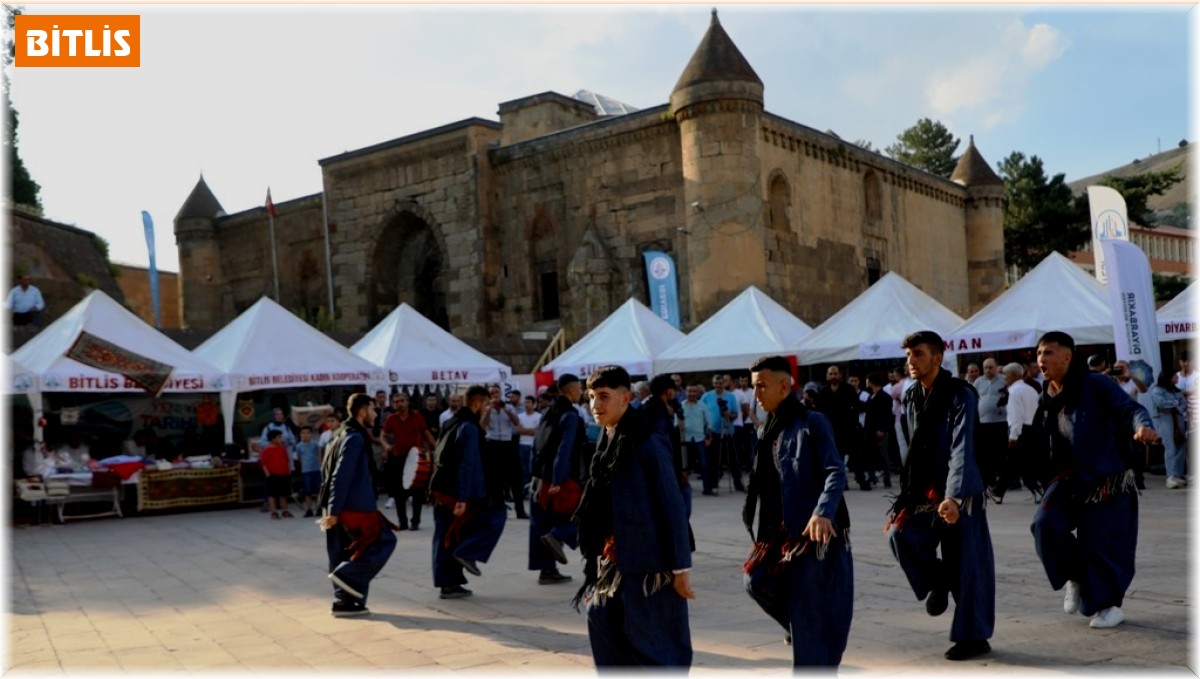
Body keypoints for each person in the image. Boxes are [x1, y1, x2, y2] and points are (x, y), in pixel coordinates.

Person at [1031, 331, 1157, 629]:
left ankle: (1108, 606)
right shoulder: (1047, 393)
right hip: (1069, 478)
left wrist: (1144, 428)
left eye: (1048, 352)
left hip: (1107, 478)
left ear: (1067, 356)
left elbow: (1133, 409)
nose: (1041, 359)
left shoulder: (1095, 383)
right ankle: (1073, 576)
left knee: (1103, 546)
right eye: (1038, 354)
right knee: (1044, 525)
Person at [573, 365, 694, 668]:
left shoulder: (647, 441)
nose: (595, 405)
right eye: (590, 397)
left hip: (650, 562)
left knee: (653, 645)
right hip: (615, 557)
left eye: (603, 396)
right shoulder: (606, 439)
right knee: (601, 620)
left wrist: (680, 569)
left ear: (626, 398)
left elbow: (673, 506)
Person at [886, 330, 994, 661]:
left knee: (967, 563)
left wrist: (955, 496)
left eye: (917, 354)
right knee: (899, 534)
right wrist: (908, 492)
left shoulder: (961, 394)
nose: (910, 361)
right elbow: (907, 442)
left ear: (937, 357)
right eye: (907, 355)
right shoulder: (910, 395)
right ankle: (939, 580)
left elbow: (963, 447)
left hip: (960, 493)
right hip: (924, 492)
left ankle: (974, 638)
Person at [742, 355, 853, 668]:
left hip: (814, 532)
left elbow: (835, 470)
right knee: (756, 579)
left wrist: (823, 512)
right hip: (782, 531)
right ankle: (802, 628)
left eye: (761, 386)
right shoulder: (769, 430)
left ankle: (810, 640)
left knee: (812, 621)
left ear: (783, 386)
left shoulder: (812, 422)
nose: (756, 394)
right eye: (754, 387)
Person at [317, 393, 398, 617]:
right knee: (384, 540)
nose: (375, 415)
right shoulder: (354, 438)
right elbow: (340, 476)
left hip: (340, 504)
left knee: (344, 552)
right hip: (352, 507)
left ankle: (346, 602)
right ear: (362, 412)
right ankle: (348, 577)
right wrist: (334, 511)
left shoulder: (339, 435)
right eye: (373, 410)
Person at [429, 385, 506, 599]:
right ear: (477, 403)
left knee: (446, 535)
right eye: (486, 404)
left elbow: (439, 455)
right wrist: (463, 498)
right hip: (458, 492)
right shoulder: (469, 427)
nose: (487, 408)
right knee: (496, 516)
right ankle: (468, 553)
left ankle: (449, 583)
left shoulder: (449, 423)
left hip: (442, 488)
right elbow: (467, 463)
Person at [528, 374, 587, 585]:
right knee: (586, 514)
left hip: (540, 477)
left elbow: (536, 445)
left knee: (542, 522)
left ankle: (547, 570)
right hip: (560, 478)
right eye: (579, 388)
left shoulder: (547, 413)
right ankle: (559, 536)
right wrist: (559, 480)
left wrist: (535, 473)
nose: (582, 392)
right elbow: (565, 450)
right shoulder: (571, 416)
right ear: (571, 391)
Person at [381, 393, 435, 530]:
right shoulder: (391, 418)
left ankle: (415, 521)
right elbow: (383, 435)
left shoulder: (416, 416)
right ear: (393, 404)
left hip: (416, 458)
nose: (399, 404)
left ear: (407, 402)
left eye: (402, 401)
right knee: (399, 492)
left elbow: (426, 433)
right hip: (398, 457)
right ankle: (403, 522)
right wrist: (386, 446)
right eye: (396, 401)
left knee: (417, 491)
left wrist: (436, 448)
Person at [816, 365, 867, 491]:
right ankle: (842, 482)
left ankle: (862, 481)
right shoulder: (823, 392)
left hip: (849, 428)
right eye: (831, 374)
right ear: (827, 376)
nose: (833, 376)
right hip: (832, 430)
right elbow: (820, 411)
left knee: (855, 457)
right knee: (837, 458)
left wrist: (854, 424)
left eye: (835, 373)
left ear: (840, 375)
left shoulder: (848, 389)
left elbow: (855, 407)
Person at [997, 362, 1042, 503]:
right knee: (1023, 463)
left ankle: (998, 492)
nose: (1003, 378)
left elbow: (1017, 415)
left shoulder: (1014, 392)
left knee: (1014, 463)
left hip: (1020, 430)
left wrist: (1013, 436)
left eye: (1006, 375)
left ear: (1014, 376)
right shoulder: (1031, 389)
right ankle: (999, 491)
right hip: (1033, 429)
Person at [481, 385, 528, 519]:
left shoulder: (508, 407)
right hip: (492, 443)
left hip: (508, 443)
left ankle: (520, 509)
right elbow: (482, 426)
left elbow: (517, 422)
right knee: (495, 478)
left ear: (501, 393)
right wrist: (489, 408)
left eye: (497, 392)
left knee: (515, 477)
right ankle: (498, 508)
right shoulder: (486, 408)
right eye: (492, 393)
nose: (495, 395)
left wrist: (505, 409)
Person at [972, 358, 1007, 498]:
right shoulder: (978, 382)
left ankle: (1002, 481)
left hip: (1000, 422)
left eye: (991, 367)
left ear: (996, 367)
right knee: (985, 454)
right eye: (986, 368)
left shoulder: (1003, 380)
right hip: (983, 423)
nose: (988, 370)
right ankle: (989, 482)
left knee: (1000, 452)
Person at [700, 373, 741, 491]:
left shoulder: (730, 396)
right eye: (716, 383)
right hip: (713, 432)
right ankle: (713, 483)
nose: (718, 385)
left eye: (720, 383)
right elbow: (701, 412)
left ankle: (738, 483)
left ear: (724, 383)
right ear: (713, 384)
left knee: (733, 459)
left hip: (727, 430)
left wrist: (729, 415)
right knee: (713, 459)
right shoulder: (706, 396)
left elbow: (735, 413)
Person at [1150, 370, 1188, 489]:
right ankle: (1171, 476)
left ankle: (1179, 474)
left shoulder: (1176, 390)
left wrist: (1174, 404)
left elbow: (1184, 404)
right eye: (1174, 375)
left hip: (1178, 420)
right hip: (1164, 420)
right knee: (1170, 446)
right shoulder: (1157, 390)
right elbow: (1162, 404)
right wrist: (1176, 404)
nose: (1177, 376)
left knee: (1181, 445)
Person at [678, 383, 715, 495]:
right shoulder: (681, 406)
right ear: (686, 392)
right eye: (690, 391)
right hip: (685, 440)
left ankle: (707, 489)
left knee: (704, 465)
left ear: (698, 393)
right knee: (685, 467)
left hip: (700, 439)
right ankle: (684, 489)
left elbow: (709, 423)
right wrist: (679, 425)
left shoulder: (702, 405)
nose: (692, 394)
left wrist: (709, 438)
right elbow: (675, 423)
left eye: (694, 391)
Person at [862, 373, 893, 489]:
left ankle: (887, 478)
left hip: (880, 430)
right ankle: (871, 476)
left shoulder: (885, 397)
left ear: (870, 382)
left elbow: (887, 416)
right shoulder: (871, 396)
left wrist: (883, 429)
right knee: (870, 454)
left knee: (883, 454)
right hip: (870, 430)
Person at [261, 430, 294, 519]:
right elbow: (264, 464)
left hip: (284, 474)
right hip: (273, 475)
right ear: (273, 439)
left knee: (283, 494)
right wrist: (268, 475)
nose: (281, 439)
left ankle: (284, 510)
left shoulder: (282, 449)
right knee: (272, 494)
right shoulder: (266, 450)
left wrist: (289, 471)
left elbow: (286, 460)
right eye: (279, 437)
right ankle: (274, 512)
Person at [516, 395, 542, 505]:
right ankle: (524, 490)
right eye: (525, 402)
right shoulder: (520, 416)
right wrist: (529, 431)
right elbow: (518, 430)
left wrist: (525, 430)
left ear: (534, 404)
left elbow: (537, 432)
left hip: (533, 446)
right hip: (522, 445)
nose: (526, 405)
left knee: (533, 469)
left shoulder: (539, 416)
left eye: (529, 402)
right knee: (524, 469)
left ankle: (532, 489)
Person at [296, 426, 322, 518]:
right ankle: (309, 509)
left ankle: (319, 508)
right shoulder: (299, 446)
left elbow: (319, 455)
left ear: (311, 434)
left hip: (316, 469)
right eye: (303, 433)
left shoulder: (315, 444)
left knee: (319, 490)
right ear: (300, 435)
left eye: (308, 432)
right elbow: (299, 458)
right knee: (307, 491)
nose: (306, 435)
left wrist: (320, 466)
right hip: (306, 471)